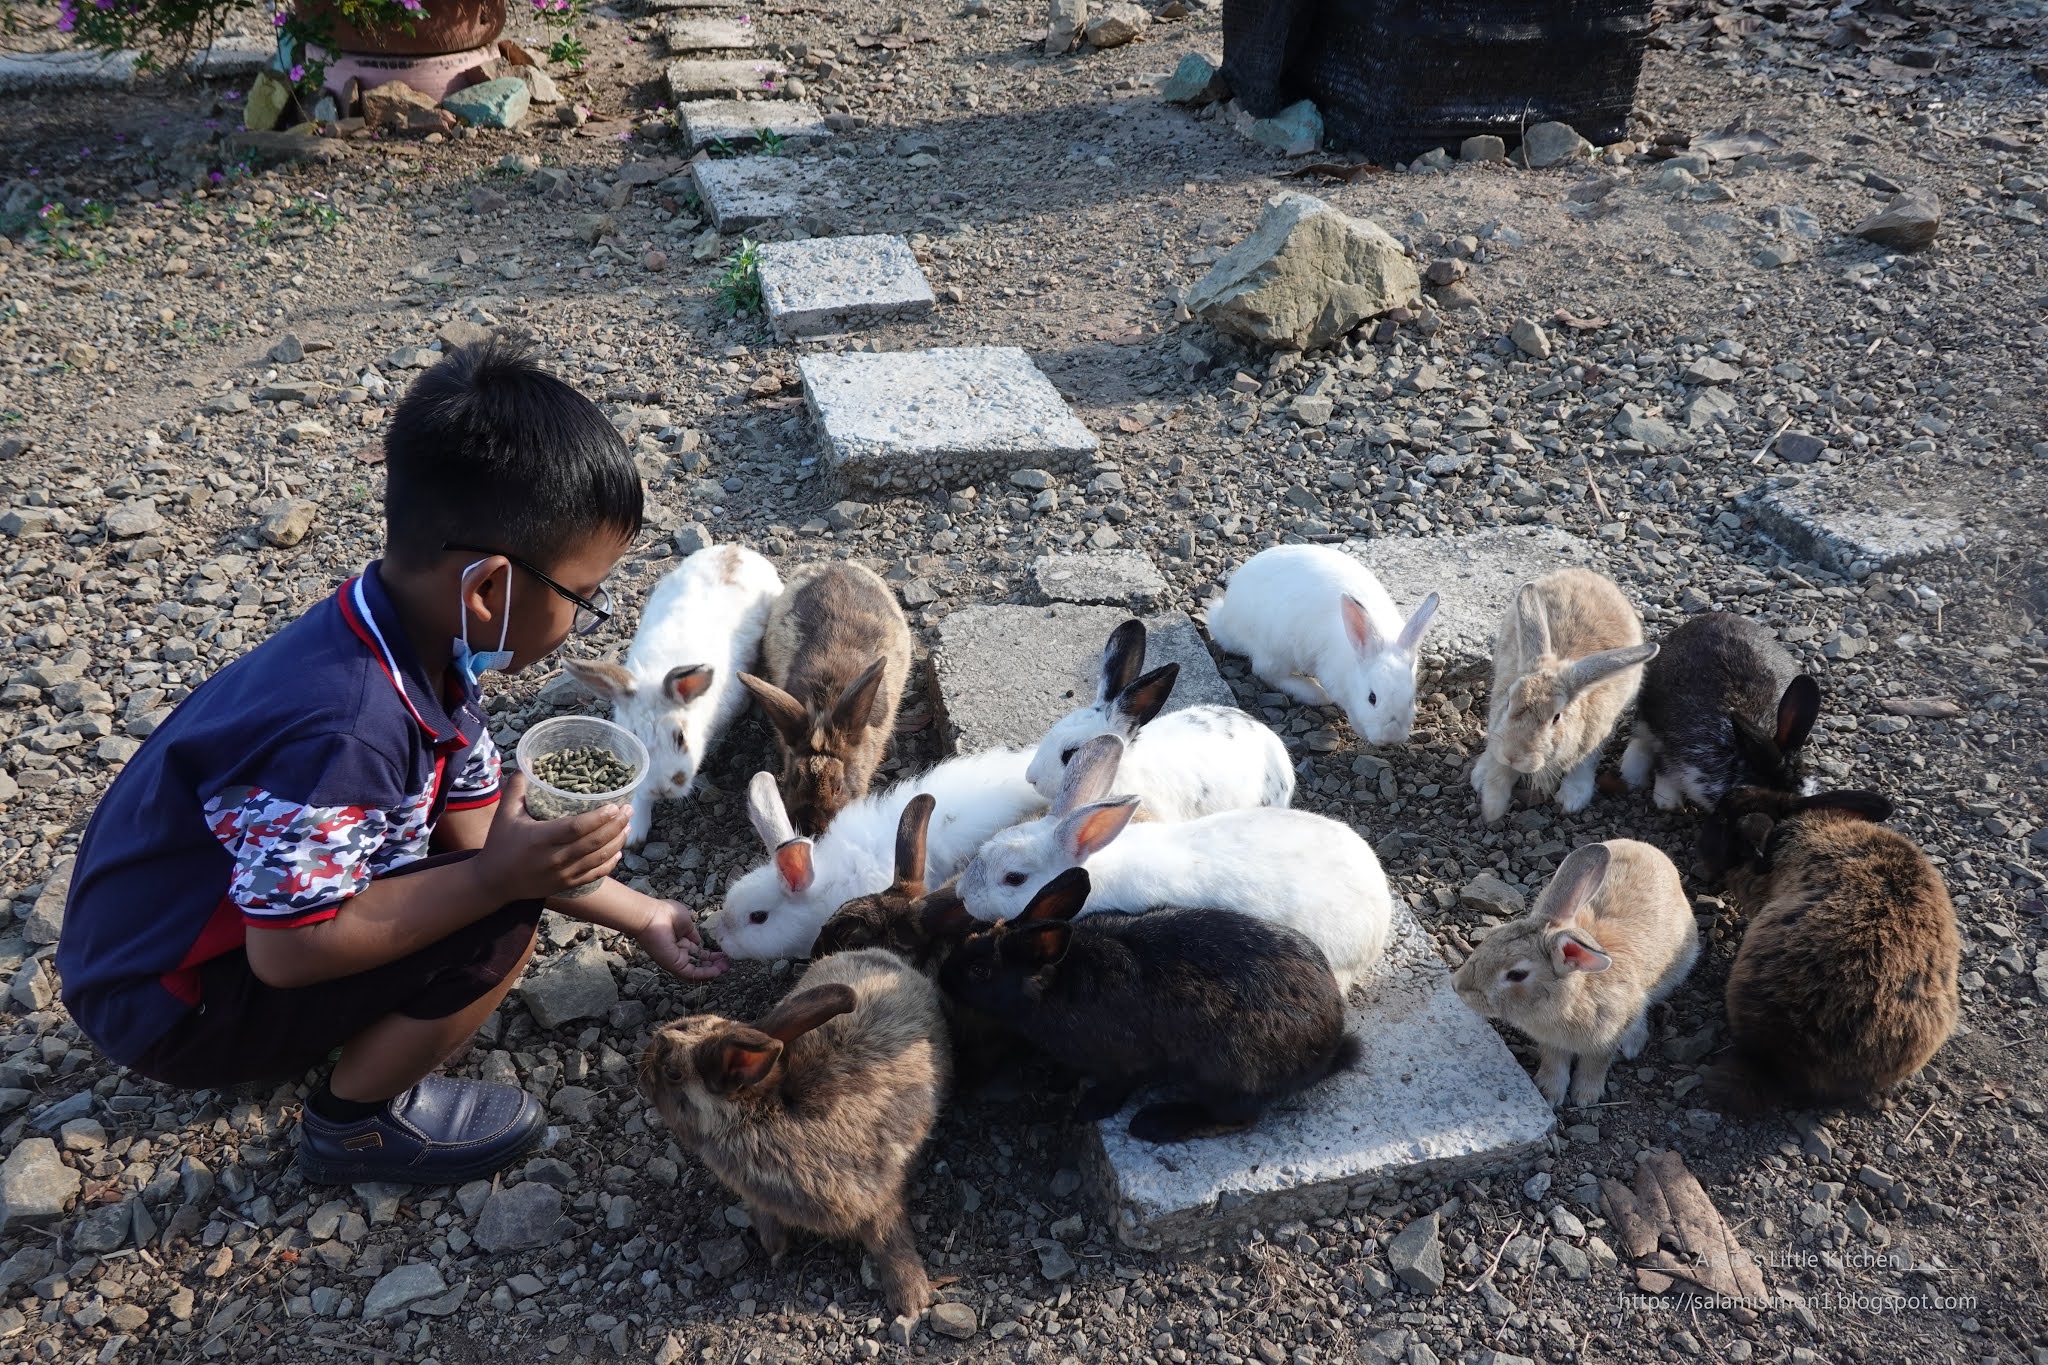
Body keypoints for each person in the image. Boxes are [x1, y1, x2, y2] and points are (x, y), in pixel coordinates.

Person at [56, 339, 727, 1186]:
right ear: (489, 590)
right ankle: (353, 1126)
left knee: (492, 871)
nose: (582, 619)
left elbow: (474, 820)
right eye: (582, 597)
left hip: (168, 938)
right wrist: (495, 882)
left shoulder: (409, 634)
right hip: (163, 1001)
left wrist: (640, 912)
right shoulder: (348, 730)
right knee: (500, 920)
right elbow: (288, 951)